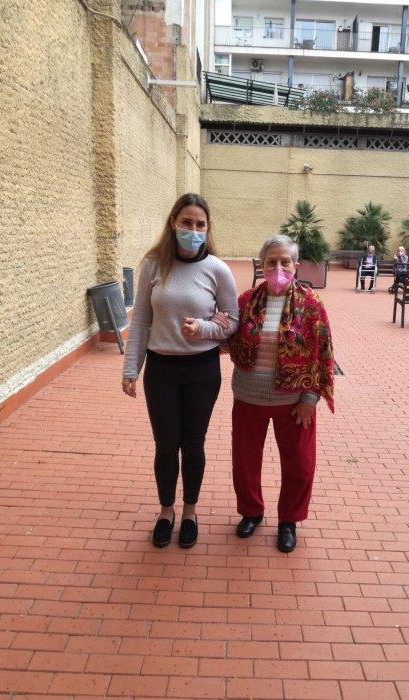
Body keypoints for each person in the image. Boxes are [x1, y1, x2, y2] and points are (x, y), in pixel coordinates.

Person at [122, 193, 238, 549]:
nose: (193, 229)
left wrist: (203, 329)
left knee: (193, 443)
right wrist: (131, 368)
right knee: (166, 444)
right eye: (187, 222)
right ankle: (166, 510)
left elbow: (232, 322)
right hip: (161, 370)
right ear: (173, 222)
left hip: (202, 371)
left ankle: (189, 511)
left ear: (207, 228)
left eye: (200, 224)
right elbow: (141, 320)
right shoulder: (154, 265)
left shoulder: (217, 269)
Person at [227, 234, 334, 553]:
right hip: (249, 396)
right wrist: (215, 326)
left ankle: (289, 520)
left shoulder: (311, 304)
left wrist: (311, 398)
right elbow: (229, 341)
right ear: (262, 265)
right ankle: (251, 512)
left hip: (295, 402)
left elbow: (323, 352)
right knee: (245, 461)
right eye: (271, 262)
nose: (278, 268)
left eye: (285, 262)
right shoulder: (246, 301)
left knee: (300, 465)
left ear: (295, 265)